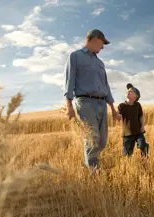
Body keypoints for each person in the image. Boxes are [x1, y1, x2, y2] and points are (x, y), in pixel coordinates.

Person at [63, 29, 120, 173]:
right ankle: (93, 170)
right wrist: (68, 105)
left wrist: (113, 109)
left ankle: (89, 163)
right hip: (85, 102)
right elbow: (69, 82)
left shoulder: (100, 63)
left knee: (102, 142)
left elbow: (106, 86)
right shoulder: (75, 56)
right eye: (102, 43)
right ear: (95, 39)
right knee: (92, 138)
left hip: (102, 103)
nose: (102, 47)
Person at [117, 83, 149, 157]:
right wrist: (116, 115)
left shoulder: (137, 105)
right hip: (127, 133)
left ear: (136, 96)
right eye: (128, 90)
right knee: (127, 154)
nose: (128, 91)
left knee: (142, 145)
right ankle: (128, 165)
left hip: (138, 131)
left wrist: (142, 126)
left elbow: (140, 116)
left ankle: (144, 160)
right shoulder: (122, 106)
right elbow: (119, 117)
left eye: (131, 91)